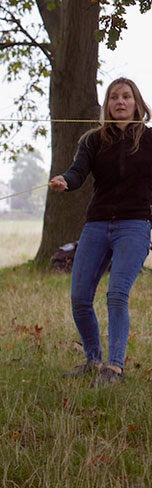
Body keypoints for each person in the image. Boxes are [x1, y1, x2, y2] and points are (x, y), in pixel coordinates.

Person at [49, 77, 152, 386]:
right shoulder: (92, 140)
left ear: (137, 104)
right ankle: (93, 361)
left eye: (126, 97)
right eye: (113, 97)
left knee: (117, 295)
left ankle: (114, 368)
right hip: (96, 225)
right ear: (107, 105)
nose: (119, 102)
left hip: (134, 226)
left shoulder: (149, 140)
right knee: (80, 298)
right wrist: (65, 181)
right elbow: (78, 172)